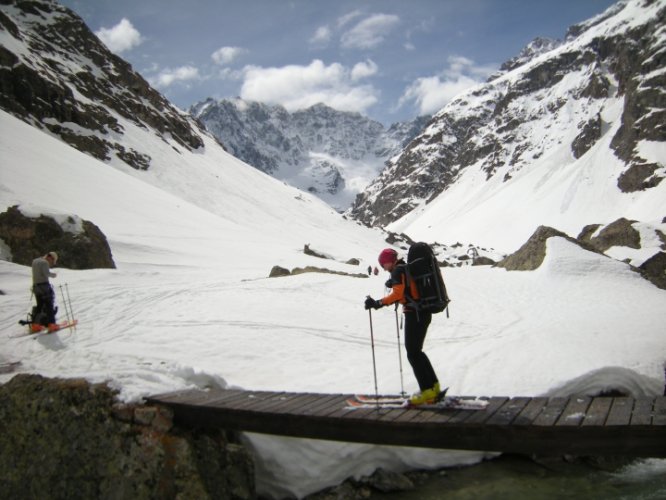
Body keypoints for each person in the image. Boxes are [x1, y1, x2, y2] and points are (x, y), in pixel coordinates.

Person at [364, 248, 441, 405]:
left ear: (389, 261)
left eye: (383, 263)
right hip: (422, 312)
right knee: (417, 352)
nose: (383, 267)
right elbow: (405, 286)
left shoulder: (398, 271)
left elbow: (397, 295)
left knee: (413, 353)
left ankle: (428, 392)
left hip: (415, 315)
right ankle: (433, 387)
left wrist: (377, 303)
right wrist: (393, 282)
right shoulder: (404, 268)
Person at [31, 251, 59, 332]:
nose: (51, 263)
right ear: (51, 257)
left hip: (36, 286)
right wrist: (53, 275)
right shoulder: (44, 263)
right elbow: (46, 274)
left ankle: (35, 325)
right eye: (52, 261)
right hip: (44, 286)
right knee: (49, 305)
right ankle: (52, 325)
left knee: (39, 306)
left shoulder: (35, 261)